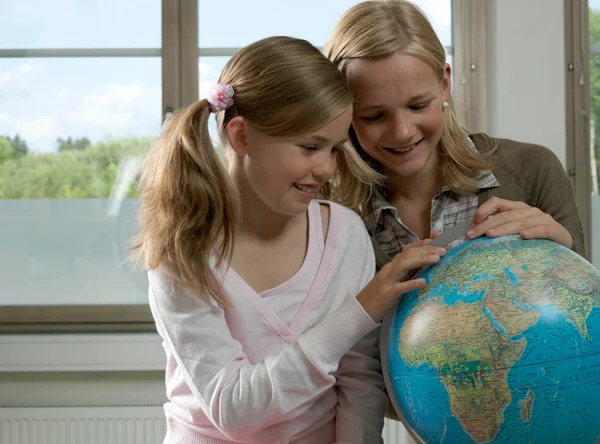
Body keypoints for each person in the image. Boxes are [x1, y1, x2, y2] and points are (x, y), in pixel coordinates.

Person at [132, 36, 447, 444]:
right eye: (310, 146)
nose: (326, 169)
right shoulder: (182, 253)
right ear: (241, 136)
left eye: (334, 149)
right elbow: (233, 408)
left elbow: (358, 383)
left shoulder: (345, 233)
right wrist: (361, 310)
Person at [324, 0, 586, 439]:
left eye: (417, 104)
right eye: (373, 116)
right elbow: (351, 366)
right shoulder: (338, 217)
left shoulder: (533, 169)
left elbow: (585, 328)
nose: (402, 131)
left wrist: (566, 252)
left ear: (445, 82)